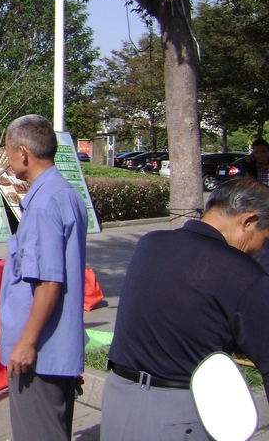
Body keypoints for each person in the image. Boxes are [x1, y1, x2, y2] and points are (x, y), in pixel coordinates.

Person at [101, 178, 269, 440]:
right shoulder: (243, 272)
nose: (260, 250)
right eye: (264, 238)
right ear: (248, 221)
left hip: (117, 398)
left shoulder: (151, 243)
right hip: (180, 412)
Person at [0, 114, 88, 440]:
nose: (7, 160)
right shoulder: (65, 193)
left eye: (8, 152)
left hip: (39, 356)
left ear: (23, 153)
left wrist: (27, 342)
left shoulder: (43, 204)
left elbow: (49, 281)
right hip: (54, 349)